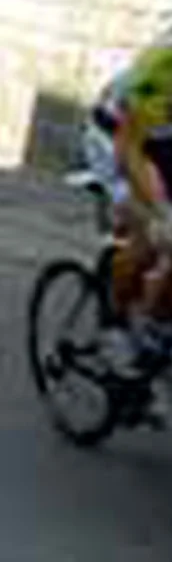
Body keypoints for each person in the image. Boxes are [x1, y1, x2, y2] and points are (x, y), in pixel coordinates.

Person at [101, 39, 172, 395]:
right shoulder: (163, 61)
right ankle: (113, 324)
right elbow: (128, 146)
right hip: (120, 135)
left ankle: (155, 330)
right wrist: (161, 211)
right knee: (159, 229)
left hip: (165, 144)